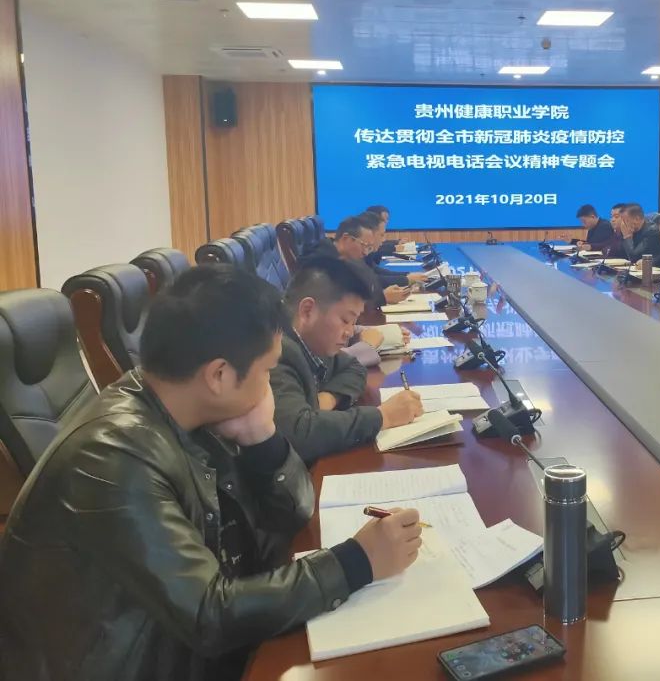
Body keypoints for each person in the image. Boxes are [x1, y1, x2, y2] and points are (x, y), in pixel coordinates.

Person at [0, 265, 422, 681]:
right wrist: (356, 562)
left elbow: (293, 513)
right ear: (219, 375)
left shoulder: (188, 405)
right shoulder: (113, 455)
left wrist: (264, 438)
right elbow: (210, 616)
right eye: (266, 372)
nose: (270, 388)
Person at [271, 257, 423, 463]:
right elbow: (299, 434)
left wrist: (328, 398)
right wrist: (383, 416)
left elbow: (354, 367)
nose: (350, 332)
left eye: (354, 322)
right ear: (307, 310)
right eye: (345, 320)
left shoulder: (313, 341)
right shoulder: (275, 351)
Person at [313, 214, 412, 306]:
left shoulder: (345, 258)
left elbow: (367, 282)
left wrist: (382, 293)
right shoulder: (322, 261)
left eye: (369, 247)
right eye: (364, 245)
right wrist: (383, 298)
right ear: (346, 238)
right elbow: (334, 305)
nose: (366, 253)